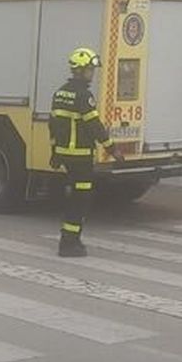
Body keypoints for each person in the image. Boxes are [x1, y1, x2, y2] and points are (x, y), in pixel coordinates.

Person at [49, 47, 111, 257]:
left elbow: (53, 125)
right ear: (80, 70)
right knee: (81, 199)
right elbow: (94, 125)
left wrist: (55, 152)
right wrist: (111, 146)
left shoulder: (60, 93)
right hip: (81, 155)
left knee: (75, 197)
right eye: (90, 70)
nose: (92, 74)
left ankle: (68, 239)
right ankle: (69, 243)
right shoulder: (84, 96)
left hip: (65, 154)